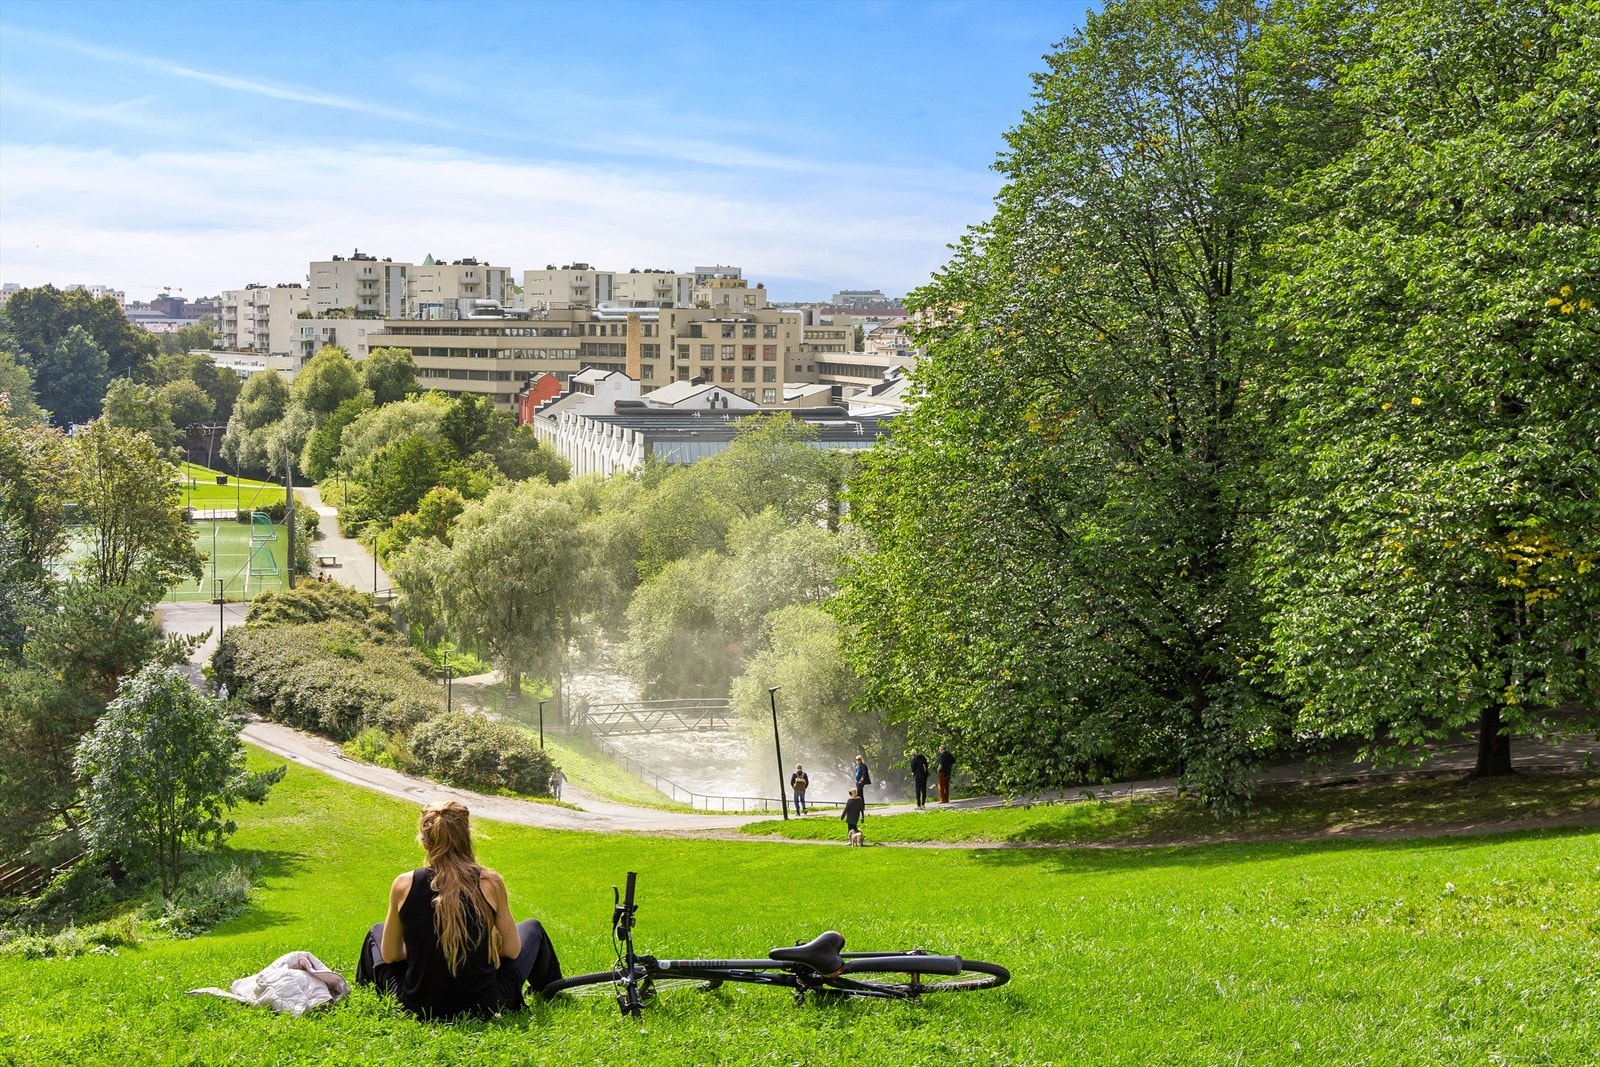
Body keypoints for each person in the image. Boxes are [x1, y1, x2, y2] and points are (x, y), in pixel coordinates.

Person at [356, 801, 562, 1019]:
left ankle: (363, 991)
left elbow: (390, 955)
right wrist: (482, 950)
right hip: (486, 1004)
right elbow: (512, 950)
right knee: (533, 928)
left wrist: (421, 950)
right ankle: (553, 989)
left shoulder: (403, 884)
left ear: (425, 842)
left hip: (419, 1005)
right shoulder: (490, 882)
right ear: (467, 837)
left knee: (375, 934)